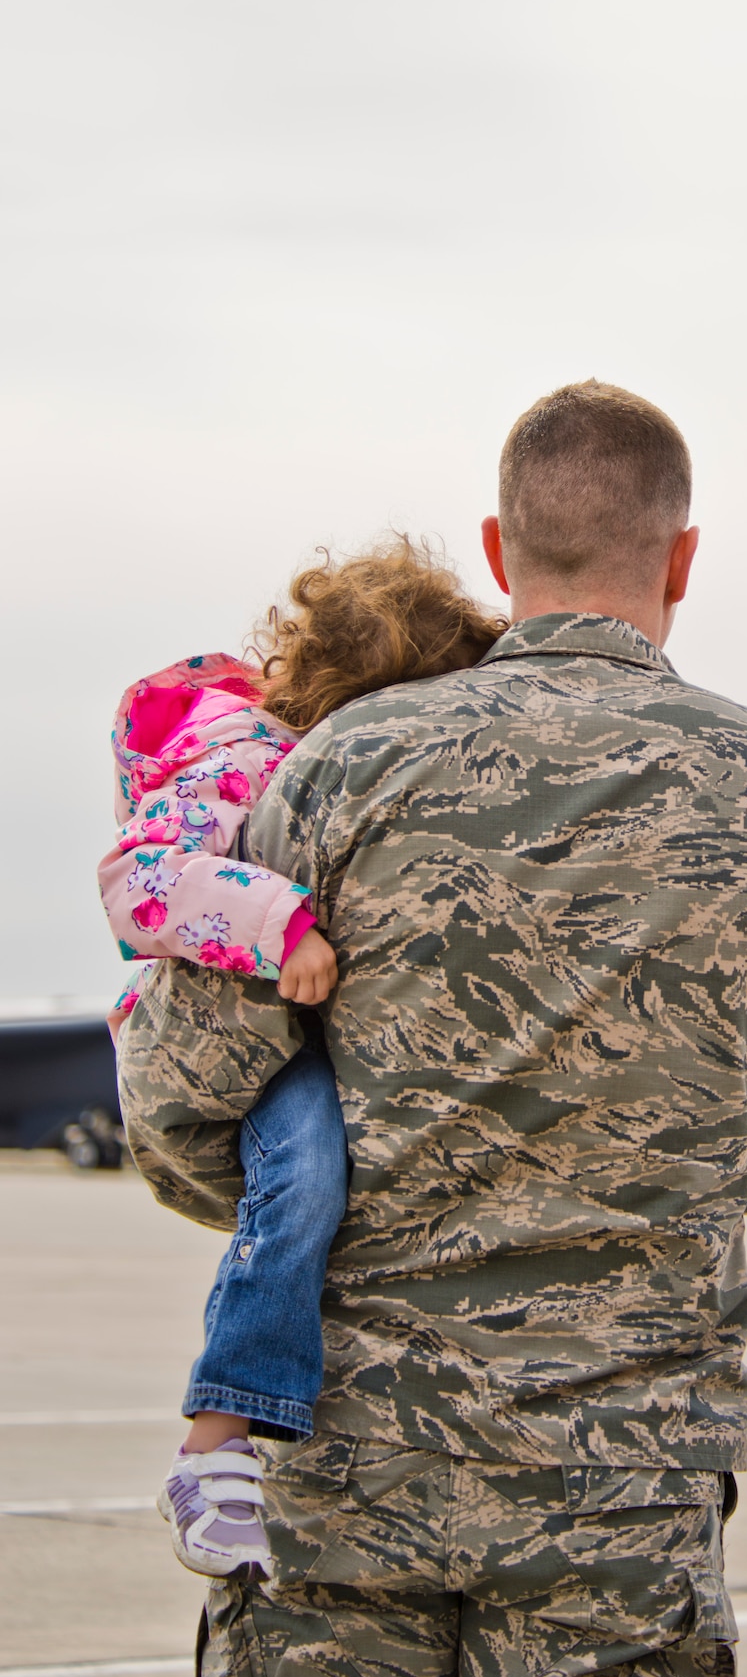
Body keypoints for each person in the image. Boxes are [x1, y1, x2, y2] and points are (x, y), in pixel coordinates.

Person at [119, 380, 747, 1677]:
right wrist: (642, 1161)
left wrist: (328, 1188)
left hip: (342, 1483)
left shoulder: (340, 764)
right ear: (682, 558)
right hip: (617, 1486)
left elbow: (186, 1108)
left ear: (498, 548)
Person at [99, 540, 503, 1577]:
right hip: (237, 1029)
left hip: (291, 1026)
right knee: (308, 1173)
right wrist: (279, 923)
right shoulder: (237, 750)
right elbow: (140, 880)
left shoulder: (297, 748)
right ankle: (216, 1441)